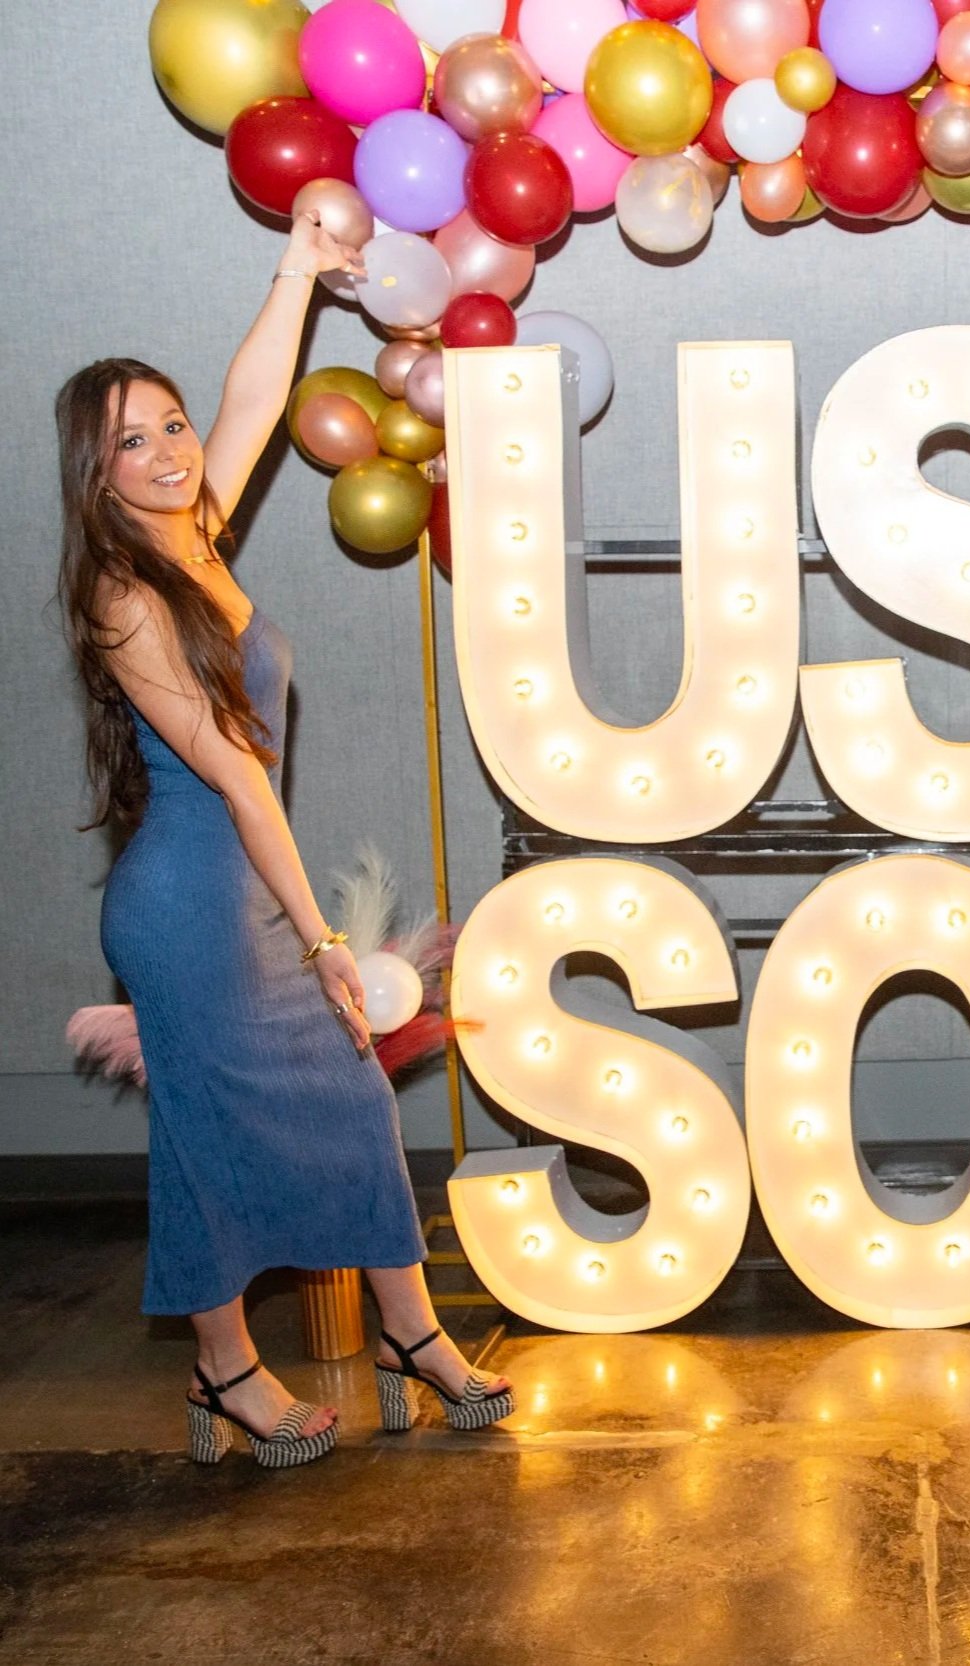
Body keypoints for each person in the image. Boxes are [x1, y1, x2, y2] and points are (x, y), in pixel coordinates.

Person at [57, 212, 513, 1466]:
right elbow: (240, 779)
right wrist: (319, 935)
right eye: (127, 443)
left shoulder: (190, 532)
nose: (161, 451)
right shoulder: (124, 592)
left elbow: (252, 395)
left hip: (237, 890)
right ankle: (225, 1371)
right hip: (189, 908)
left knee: (354, 1100)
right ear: (91, 475)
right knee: (211, 1131)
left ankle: (407, 1334)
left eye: (168, 427)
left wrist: (297, 272)